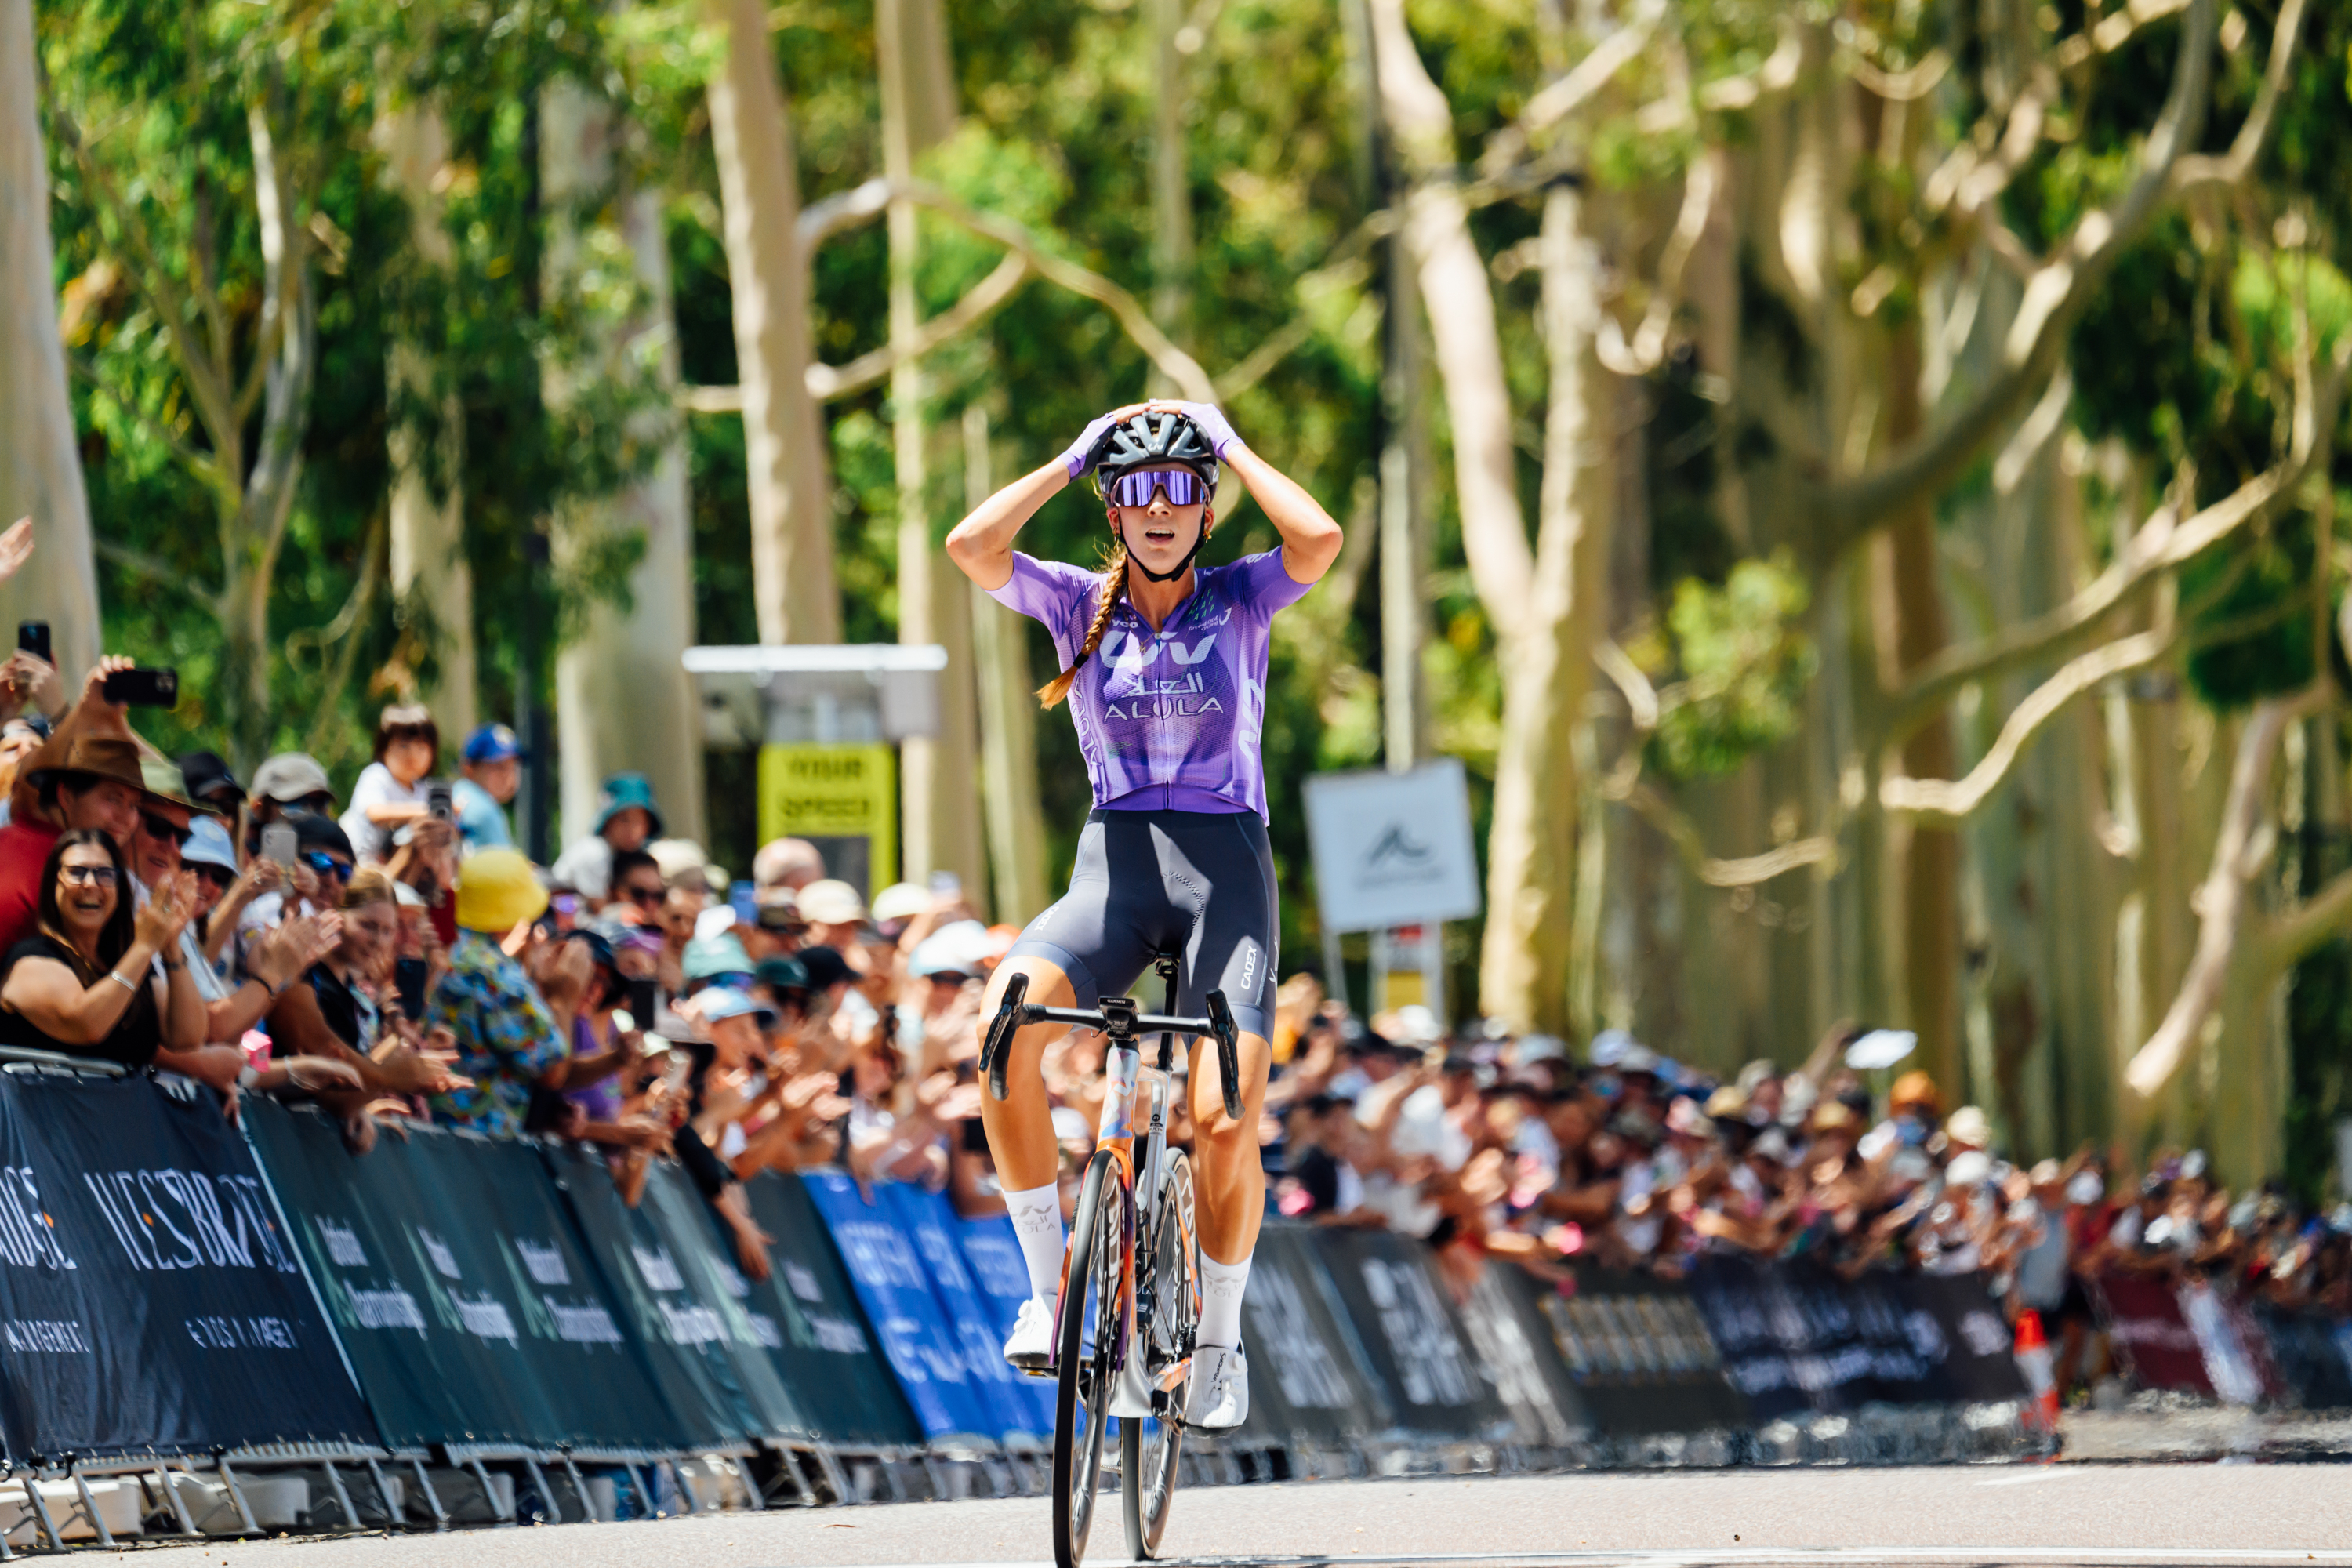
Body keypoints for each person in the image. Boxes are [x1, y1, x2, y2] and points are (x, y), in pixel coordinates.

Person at [944, 401, 1343, 1427]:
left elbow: (1319, 538)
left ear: (1205, 510)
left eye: (1180, 490)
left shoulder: (1242, 597)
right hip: (1114, 872)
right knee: (1002, 1034)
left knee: (1221, 1120)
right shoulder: (1078, 605)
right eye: (1137, 491)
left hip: (1227, 880)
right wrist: (1075, 455)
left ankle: (1217, 1343)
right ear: (1114, 512)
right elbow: (972, 545)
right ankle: (1045, 1295)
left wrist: (1230, 444)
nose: (1160, 507)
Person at [423, 847, 602, 1136]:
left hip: (442, 1137)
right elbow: (553, 1070)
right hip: (481, 1147)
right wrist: (565, 998)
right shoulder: (496, 976)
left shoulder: (453, 957)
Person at [0, 829, 204, 1069]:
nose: (90, 884)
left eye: (105, 874)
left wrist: (170, 948)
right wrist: (145, 946)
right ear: (53, 884)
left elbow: (187, 1036)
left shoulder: (129, 962)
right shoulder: (30, 961)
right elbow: (87, 1026)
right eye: (76, 872)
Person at [341, 705, 439, 865]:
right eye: (403, 746)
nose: (412, 755)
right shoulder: (377, 775)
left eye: (421, 747)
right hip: (355, 862)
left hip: (389, 865)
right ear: (383, 749)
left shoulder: (423, 789)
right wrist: (427, 810)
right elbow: (376, 813)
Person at [550, 773, 662, 903]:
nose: (632, 830)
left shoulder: (630, 855)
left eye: (639, 822)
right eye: (624, 820)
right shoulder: (595, 852)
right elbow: (599, 910)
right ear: (607, 822)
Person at [452, 723, 520, 851]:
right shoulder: (484, 808)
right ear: (469, 770)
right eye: (499, 767)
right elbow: (504, 868)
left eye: (513, 767)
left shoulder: (458, 791)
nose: (509, 776)